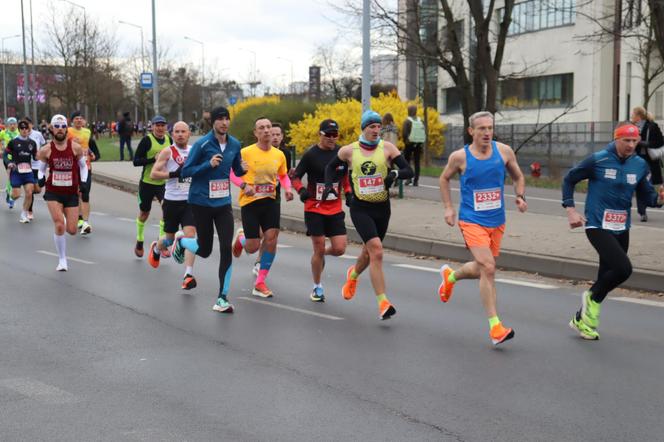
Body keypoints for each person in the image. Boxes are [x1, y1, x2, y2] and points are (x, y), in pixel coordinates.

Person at [563, 122, 664, 340]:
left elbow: (647, 197)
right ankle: (590, 297)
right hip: (597, 225)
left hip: (621, 227)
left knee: (606, 277)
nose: (630, 145)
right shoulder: (598, 159)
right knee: (623, 269)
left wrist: (659, 199)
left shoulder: (639, 165)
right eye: (626, 140)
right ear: (616, 139)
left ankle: (582, 321)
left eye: (634, 141)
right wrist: (570, 209)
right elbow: (569, 179)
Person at [437, 111, 528, 346]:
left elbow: (518, 177)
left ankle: (451, 277)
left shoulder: (504, 152)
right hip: (471, 220)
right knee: (489, 267)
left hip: (497, 220)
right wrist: (449, 208)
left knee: (481, 268)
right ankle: (495, 327)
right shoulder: (460, 157)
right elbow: (444, 178)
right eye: (482, 129)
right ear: (471, 131)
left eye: (490, 128)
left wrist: (519, 196)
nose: (487, 132)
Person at [323, 110, 413, 320]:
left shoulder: (388, 148)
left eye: (378, 126)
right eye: (371, 126)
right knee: (377, 251)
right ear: (363, 128)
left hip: (382, 208)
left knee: (368, 253)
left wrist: (395, 174)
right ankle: (383, 303)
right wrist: (329, 186)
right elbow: (330, 167)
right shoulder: (348, 151)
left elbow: (409, 171)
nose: (376, 130)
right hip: (360, 208)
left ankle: (353, 275)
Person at [171, 106, 247, 313]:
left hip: (223, 204)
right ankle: (182, 241)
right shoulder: (202, 144)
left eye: (227, 119)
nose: (224, 122)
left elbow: (236, 169)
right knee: (204, 250)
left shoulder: (234, 144)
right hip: (201, 203)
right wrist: (208, 165)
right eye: (220, 119)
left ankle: (222, 297)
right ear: (213, 122)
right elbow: (185, 171)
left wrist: (243, 169)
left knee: (225, 248)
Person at [231, 117, 293, 298]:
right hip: (250, 202)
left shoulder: (279, 154)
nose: (266, 130)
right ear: (255, 133)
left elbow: (283, 175)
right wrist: (244, 186)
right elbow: (231, 173)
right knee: (252, 247)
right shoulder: (245, 152)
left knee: (271, 239)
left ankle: (260, 282)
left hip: (270, 201)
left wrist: (288, 189)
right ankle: (242, 239)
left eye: (268, 127)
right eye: (262, 128)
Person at [292, 119, 349, 302]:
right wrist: (301, 190)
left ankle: (320, 254)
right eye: (328, 135)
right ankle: (317, 287)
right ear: (320, 134)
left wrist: (349, 193)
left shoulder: (341, 153)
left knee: (340, 248)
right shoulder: (311, 155)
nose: (332, 139)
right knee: (318, 245)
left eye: (335, 135)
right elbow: (295, 177)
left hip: (335, 208)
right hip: (314, 208)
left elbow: (345, 178)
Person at [147, 121, 198, 290]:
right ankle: (156, 248)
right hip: (171, 201)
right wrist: (173, 174)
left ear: (189, 133)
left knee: (191, 235)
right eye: (177, 132)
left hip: (190, 201)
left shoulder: (194, 151)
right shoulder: (168, 151)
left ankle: (188, 275)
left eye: (184, 131)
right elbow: (154, 173)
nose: (180, 134)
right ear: (172, 134)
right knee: (168, 239)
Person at [36, 114, 87, 271]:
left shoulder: (75, 148)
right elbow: (41, 169)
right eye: (56, 126)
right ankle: (62, 260)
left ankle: (66, 216)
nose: (60, 129)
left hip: (71, 192)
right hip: (53, 191)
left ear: (66, 129)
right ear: (51, 129)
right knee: (59, 225)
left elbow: (83, 167)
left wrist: (83, 182)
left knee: (71, 230)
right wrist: (40, 179)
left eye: (63, 126)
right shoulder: (46, 150)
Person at [250, 122, 292, 277]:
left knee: (271, 235)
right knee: (258, 235)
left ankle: (260, 262)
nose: (274, 137)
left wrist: (288, 187)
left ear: (282, 137)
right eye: (272, 134)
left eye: (277, 134)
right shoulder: (254, 151)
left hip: (274, 196)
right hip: (255, 196)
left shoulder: (284, 154)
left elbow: (284, 174)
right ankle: (245, 237)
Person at [132, 115, 172, 257]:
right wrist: (152, 159)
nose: (160, 128)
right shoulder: (147, 140)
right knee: (144, 213)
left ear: (166, 127)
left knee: (167, 212)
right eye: (157, 125)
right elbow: (135, 161)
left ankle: (161, 243)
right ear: (152, 126)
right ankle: (140, 240)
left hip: (162, 183)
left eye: (163, 125)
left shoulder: (169, 140)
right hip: (147, 183)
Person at [68, 111, 100, 235]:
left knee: (85, 193)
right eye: (76, 118)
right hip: (71, 167)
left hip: (85, 167)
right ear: (72, 121)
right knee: (75, 194)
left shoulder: (87, 132)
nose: (79, 120)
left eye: (80, 118)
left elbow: (92, 148)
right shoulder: (68, 132)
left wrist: (93, 156)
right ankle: (79, 218)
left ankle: (85, 222)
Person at [630, 106, 663, 222]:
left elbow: (659, 142)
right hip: (636, 160)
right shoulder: (631, 128)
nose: (631, 117)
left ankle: (656, 201)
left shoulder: (652, 127)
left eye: (633, 114)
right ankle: (642, 211)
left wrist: (642, 142)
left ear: (638, 116)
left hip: (649, 161)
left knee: (647, 185)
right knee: (640, 185)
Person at [4, 120, 38, 223]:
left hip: (28, 171)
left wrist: (41, 157)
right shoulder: (13, 142)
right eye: (22, 129)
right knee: (16, 195)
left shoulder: (32, 143)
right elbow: (5, 154)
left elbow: (35, 157)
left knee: (29, 192)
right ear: (19, 130)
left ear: (29, 130)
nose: (24, 130)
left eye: (26, 129)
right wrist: (9, 162)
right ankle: (10, 194)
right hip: (16, 172)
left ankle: (24, 214)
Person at [24, 117, 46, 220]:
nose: (26, 127)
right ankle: (29, 210)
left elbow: (44, 145)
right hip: (27, 166)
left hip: (38, 165)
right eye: (24, 124)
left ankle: (35, 189)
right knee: (30, 190)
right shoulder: (21, 136)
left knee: (38, 189)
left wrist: (43, 155)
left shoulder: (38, 134)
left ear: (32, 125)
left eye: (28, 124)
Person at [401, 105, 426, 186]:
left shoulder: (407, 121)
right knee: (417, 162)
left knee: (407, 162)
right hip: (418, 144)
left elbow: (404, 133)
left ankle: (409, 179)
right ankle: (416, 180)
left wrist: (406, 141)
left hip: (409, 144)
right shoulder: (420, 120)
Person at [1, 117, 20, 208]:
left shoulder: (19, 133)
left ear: (16, 124)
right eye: (10, 124)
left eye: (14, 124)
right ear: (7, 125)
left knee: (13, 177)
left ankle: (9, 191)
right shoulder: (3, 133)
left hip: (18, 158)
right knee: (10, 175)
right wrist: (1, 149)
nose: (12, 126)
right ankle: (10, 197)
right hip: (7, 158)